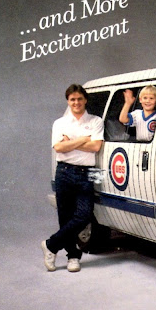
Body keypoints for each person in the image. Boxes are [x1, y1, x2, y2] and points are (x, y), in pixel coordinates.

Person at [41, 84, 104, 272]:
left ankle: (51, 245)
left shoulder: (95, 121)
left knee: (84, 214)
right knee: (65, 216)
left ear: (85, 100)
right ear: (68, 101)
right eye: (72, 99)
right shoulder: (59, 123)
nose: (76, 103)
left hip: (86, 173)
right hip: (64, 171)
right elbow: (59, 148)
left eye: (79, 99)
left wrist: (71, 143)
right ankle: (73, 257)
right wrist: (84, 139)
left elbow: (96, 147)